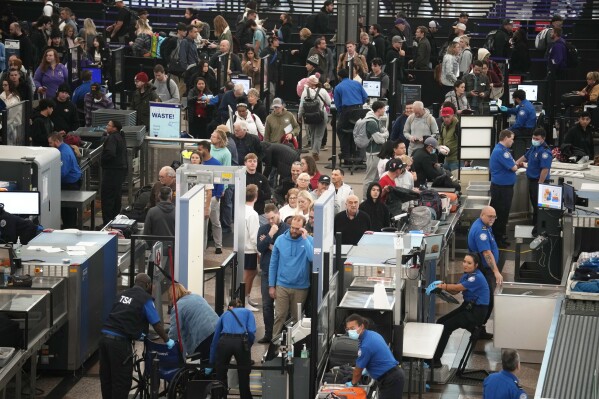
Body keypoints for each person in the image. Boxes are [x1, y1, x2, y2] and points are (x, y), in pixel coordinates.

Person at [100, 273, 175, 399]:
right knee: (122, 381)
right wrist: (167, 340)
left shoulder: (122, 294)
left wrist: (135, 332)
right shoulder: (145, 299)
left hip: (104, 339)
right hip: (119, 343)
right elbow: (156, 324)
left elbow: (121, 315)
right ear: (147, 285)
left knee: (107, 378)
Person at [426, 253, 490, 368]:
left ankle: (436, 360)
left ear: (476, 265)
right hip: (468, 306)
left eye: (469, 263)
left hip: (476, 312)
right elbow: (455, 291)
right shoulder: (467, 275)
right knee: (440, 322)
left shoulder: (476, 277)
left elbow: (456, 288)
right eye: (464, 261)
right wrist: (440, 289)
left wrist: (442, 286)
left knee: (446, 327)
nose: (465, 264)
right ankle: (432, 355)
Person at [269, 215, 314, 336]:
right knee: (280, 315)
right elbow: (273, 264)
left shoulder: (309, 240)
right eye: (292, 227)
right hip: (282, 285)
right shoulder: (280, 240)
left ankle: (294, 347)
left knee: (296, 319)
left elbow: (312, 258)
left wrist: (305, 238)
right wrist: (271, 286)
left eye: (297, 228)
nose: (293, 230)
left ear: (303, 228)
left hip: (301, 286)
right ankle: (275, 346)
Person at [344, 313, 404, 398]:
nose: (350, 331)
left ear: (361, 326)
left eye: (353, 328)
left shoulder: (366, 345)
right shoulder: (372, 334)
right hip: (393, 376)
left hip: (391, 379)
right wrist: (368, 369)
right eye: (348, 329)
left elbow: (358, 371)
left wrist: (353, 383)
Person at [208, 298, 256, 399]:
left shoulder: (225, 314)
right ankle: (245, 397)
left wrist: (211, 360)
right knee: (244, 373)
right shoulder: (248, 312)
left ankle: (220, 396)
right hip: (241, 342)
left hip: (224, 341)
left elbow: (216, 337)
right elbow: (251, 331)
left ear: (230, 307)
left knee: (221, 373)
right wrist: (248, 345)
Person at [468, 206, 503, 340]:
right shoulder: (480, 230)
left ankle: (479, 327)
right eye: (490, 216)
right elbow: (486, 253)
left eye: (494, 217)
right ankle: (477, 328)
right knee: (487, 299)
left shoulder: (485, 225)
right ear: (482, 215)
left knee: (487, 299)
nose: (492, 219)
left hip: (486, 268)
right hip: (484, 269)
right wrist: (496, 271)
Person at [257, 204, 289, 343]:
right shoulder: (263, 229)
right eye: (268, 219)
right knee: (267, 305)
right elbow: (260, 247)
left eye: (272, 218)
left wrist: (270, 244)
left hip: (282, 272)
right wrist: (270, 235)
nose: (270, 221)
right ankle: (268, 333)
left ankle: (282, 334)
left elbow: (284, 251)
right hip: (266, 270)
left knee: (283, 306)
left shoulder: (287, 230)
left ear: (278, 214)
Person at [168, 282, 218, 360]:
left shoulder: (178, 306)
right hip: (218, 330)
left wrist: (168, 342)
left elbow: (174, 332)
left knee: (203, 362)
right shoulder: (197, 296)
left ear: (172, 296)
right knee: (213, 362)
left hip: (203, 336)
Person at [515, 128, 552, 231]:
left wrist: (540, 184)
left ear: (543, 139)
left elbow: (545, 169)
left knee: (539, 207)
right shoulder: (534, 147)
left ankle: (539, 228)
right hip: (532, 181)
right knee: (535, 206)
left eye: (537, 138)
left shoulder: (545, 152)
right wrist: (514, 164)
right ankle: (535, 225)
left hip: (539, 182)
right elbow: (525, 156)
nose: (534, 140)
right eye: (533, 138)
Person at [489, 129, 518, 248]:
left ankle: (500, 235)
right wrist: (516, 165)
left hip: (503, 187)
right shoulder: (501, 152)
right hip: (502, 188)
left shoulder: (502, 150)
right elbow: (514, 167)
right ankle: (497, 239)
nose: (513, 141)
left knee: (503, 213)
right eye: (512, 139)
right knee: (501, 213)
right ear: (506, 138)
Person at [48, 132, 81, 228]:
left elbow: (62, 172)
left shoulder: (63, 153)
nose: (49, 146)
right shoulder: (65, 147)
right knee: (68, 210)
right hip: (72, 181)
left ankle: (69, 228)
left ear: (57, 141)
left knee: (68, 210)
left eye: (50, 143)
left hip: (70, 184)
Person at [334, 68, 368, 161]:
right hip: (359, 111)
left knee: (341, 130)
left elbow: (338, 105)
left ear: (339, 77)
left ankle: (346, 154)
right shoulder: (357, 83)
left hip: (347, 111)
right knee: (355, 130)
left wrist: (342, 113)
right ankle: (356, 153)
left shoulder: (338, 87)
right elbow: (365, 97)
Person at [197, 141, 224, 254]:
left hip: (212, 197)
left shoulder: (216, 163)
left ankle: (218, 246)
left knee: (215, 222)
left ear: (207, 150)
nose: (199, 151)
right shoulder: (200, 163)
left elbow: (221, 179)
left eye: (200, 149)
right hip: (201, 198)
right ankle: (203, 247)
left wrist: (217, 196)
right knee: (203, 224)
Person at [101, 120, 128, 226]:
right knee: (116, 198)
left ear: (114, 128)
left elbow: (110, 153)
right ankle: (115, 222)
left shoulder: (112, 138)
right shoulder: (121, 137)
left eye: (109, 125)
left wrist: (102, 160)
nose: (107, 127)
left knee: (107, 198)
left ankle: (107, 224)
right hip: (120, 172)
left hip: (111, 172)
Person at [298, 75, 330, 160]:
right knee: (319, 135)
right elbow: (329, 103)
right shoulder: (323, 91)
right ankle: (315, 152)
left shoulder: (305, 92)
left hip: (309, 116)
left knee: (312, 133)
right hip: (321, 115)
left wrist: (299, 116)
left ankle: (313, 150)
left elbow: (301, 106)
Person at [362, 100, 390, 197]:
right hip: (372, 153)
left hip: (378, 152)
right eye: (383, 108)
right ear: (378, 109)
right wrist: (384, 136)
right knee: (370, 177)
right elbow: (379, 140)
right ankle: (364, 198)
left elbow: (386, 132)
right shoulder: (371, 122)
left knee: (377, 177)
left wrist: (383, 135)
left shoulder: (377, 120)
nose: (384, 110)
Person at [499, 89, 537, 159]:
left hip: (525, 130)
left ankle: (504, 155)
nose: (514, 100)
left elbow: (519, 124)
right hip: (528, 128)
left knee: (504, 134)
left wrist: (508, 129)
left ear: (517, 99)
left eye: (514, 99)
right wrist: (507, 109)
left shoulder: (523, 108)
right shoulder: (525, 103)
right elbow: (516, 111)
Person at [243, 184, 260, 312]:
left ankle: (247, 297)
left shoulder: (241, 209)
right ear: (256, 197)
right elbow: (254, 236)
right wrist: (259, 251)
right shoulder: (253, 214)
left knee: (252, 272)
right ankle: (244, 300)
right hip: (249, 249)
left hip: (244, 247)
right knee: (248, 274)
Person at [438, 107, 460, 172]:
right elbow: (441, 137)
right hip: (446, 159)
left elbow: (464, 142)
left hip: (456, 160)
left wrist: (467, 159)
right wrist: (440, 146)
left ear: (453, 115)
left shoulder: (458, 125)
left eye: (448, 117)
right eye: (444, 117)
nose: (446, 119)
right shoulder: (443, 125)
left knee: (455, 180)